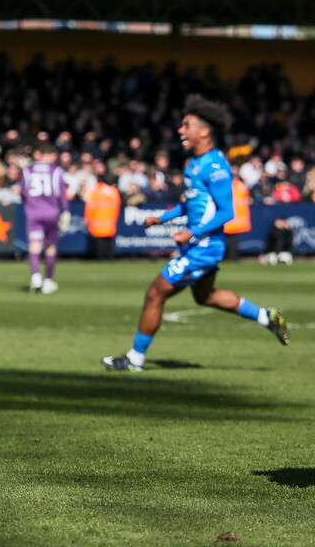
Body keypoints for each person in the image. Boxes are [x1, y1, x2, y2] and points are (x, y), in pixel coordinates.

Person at [102, 95, 288, 373]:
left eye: (186, 125)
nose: (180, 131)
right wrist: (162, 218)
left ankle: (135, 360)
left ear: (204, 131)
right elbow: (189, 203)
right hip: (199, 243)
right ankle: (266, 316)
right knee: (205, 297)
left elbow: (228, 212)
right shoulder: (194, 164)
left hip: (205, 245)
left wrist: (192, 232)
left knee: (155, 294)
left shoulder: (215, 167)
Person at [21, 142, 70, 293]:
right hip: (51, 211)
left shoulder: (28, 170)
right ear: (51, 155)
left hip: (33, 212)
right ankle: (48, 281)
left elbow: (23, 192)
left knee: (34, 246)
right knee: (50, 247)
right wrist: (66, 210)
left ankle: (36, 277)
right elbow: (61, 192)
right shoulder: (56, 170)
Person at [84, 174, 121, 260]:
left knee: (100, 243)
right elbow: (118, 205)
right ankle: (110, 257)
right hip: (110, 221)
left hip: (98, 221)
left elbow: (90, 206)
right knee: (108, 241)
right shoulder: (113, 191)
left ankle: (102, 258)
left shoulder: (96, 191)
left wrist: (87, 218)